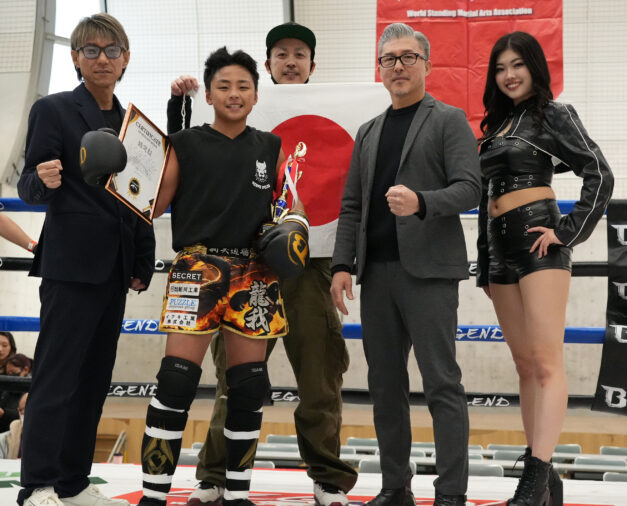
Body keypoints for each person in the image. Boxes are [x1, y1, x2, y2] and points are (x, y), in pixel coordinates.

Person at [168, 22, 357, 506]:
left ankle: (328, 477)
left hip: (311, 264)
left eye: (300, 54)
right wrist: (182, 102)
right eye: (281, 54)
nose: (291, 61)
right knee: (235, 378)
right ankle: (215, 476)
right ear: (267, 64)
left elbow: (334, 193)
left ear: (313, 64)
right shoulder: (241, 109)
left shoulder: (344, 111)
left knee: (320, 374)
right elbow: (186, 163)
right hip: (243, 269)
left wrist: (329, 250)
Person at [138, 46, 301, 506]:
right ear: (208, 95)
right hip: (197, 269)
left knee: (248, 387)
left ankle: (238, 494)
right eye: (224, 86)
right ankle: (153, 496)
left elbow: (292, 205)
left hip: (255, 271)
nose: (234, 93)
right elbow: (154, 205)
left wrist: (294, 232)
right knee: (175, 381)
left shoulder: (270, 146)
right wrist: (121, 171)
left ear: (255, 94)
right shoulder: (185, 143)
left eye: (243, 86)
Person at [331, 23, 481, 506]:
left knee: (441, 384)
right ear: (380, 68)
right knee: (385, 387)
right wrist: (341, 265)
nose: (398, 65)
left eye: (408, 57)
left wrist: (422, 202)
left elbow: (470, 188)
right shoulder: (368, 131)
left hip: (429, 272)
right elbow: (352, 205)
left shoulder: (448, 120)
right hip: (376, 275)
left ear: (426, 64)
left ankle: (451, 494)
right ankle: (395, 487)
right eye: (389, 58)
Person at [16, 13, 155, 506]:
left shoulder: (132, 123)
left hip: (115, 267)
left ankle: (72, 483)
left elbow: (140, 198)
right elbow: (27, 184)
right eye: (91, 50)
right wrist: (42, 180)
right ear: (76, 58)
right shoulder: (53, 110)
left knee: (94, 381)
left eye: (111, 50)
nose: (102, 58)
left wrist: (142, 260)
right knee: (57, 376)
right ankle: (37, 484)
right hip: (70, 265)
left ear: (126, 58)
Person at [476, 31, 613, 506]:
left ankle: (534, 478)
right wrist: (484, 264)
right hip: (499, 248)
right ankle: (546, 477)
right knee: (524, 364)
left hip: (539, 242)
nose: (509, 75)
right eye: (500, 68)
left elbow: (600, 172)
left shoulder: (553, 114)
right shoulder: (495, 125)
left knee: (546, 360)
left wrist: (568, 232)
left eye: (517, 64)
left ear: (534, 66)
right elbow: (485, 197)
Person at [0, 354, 32, 433]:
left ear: (26, 370)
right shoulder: (7, 388)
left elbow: (27, 415)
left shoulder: (32, 389)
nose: (10, 376)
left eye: (13, 373)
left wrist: (4, 413)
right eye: (8, 373)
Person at [0, 392, 27, 460]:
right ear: (19, 411)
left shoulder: (50, 439)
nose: (28, 413)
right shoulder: (3, 440)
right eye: (23, 410)